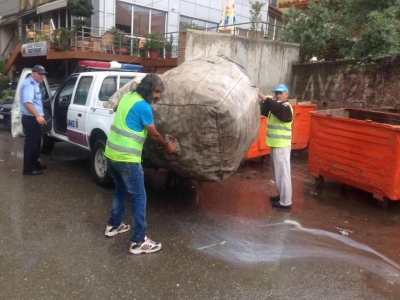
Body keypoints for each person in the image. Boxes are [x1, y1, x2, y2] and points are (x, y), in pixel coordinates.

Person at [104, 74, 177, 255]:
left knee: (120, 190)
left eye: (160, 93)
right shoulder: (144, 106)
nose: (158, 96)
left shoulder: (128, 97)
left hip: (111, 153)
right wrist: (168, 146)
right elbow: (153, 134)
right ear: (148, 89)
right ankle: (139, 242)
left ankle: (113, 226)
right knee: (139, 197)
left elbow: (119, 112)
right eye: (156, 92)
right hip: (127, 158)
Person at [258, 84, 293, 209]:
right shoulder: (277, 107)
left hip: (282, 146)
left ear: (286, 94)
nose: (277, 95)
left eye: (280, 93)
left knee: (283, 174)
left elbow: (275, 107)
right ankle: (281, 196)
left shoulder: (286, 108)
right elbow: (267, 108)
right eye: (276, 93)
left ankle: (286, 202)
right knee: (277, 174)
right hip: (275, 144)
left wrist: (262, 95)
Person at [20, 65, 48, 175]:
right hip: (31, 119)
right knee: (31, 145)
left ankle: (35, 163)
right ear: (33, 73)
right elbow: (27, 103)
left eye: (43, 74)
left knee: (36, 143)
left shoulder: (35, 83)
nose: (42, 76)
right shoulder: (29, 84)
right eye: (40, 74)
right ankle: (28, 169)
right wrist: (38, 116)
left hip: (34, 119)